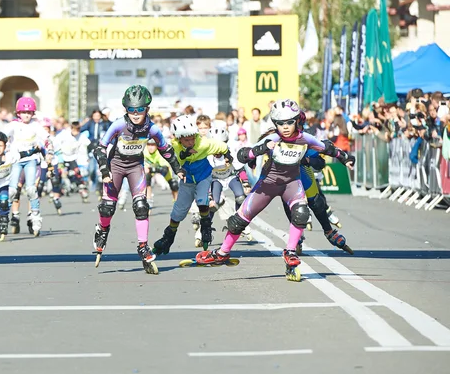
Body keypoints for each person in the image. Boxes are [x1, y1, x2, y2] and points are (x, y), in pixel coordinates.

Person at [194, 99, 355, 280]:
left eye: (289, 123)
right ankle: (222, 252)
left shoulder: (304, 138)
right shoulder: (273, 138)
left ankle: (291, 251)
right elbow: (242, 155)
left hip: (291, 183)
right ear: (275, 123)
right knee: (238, 220)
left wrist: (345, 157)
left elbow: (327, 148)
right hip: (267, 185)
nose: (285, 127)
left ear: (296, 121)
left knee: (302, 213)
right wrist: (261, 148)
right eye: (280, 123)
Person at [92, 85, 182, 274]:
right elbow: (100, 148)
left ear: (147, 109)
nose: (135, 113)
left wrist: (177, 169)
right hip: (115, 166)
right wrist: (104, 170)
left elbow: (165, 149)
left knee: (142, 207)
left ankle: (143, 246)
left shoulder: (152, 128)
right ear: (126, 109)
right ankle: (102, 229)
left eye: (140, 109)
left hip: (135, 167)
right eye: (131, 110)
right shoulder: (118, 125)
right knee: (108, 208)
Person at [153, 115, 231, 254]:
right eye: (186, 140)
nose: (191, 142)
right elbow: (174, 159)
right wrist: (182, 160)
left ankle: (206, 227)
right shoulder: (174, 146)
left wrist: (228, 156)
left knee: (202, 200)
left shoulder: (203, 143)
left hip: (203, 176)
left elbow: (222, 146)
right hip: (187, 181)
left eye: (192, 138)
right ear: (178, 138)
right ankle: (168, 237)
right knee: (178, 211)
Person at [3, 97, 48, 237]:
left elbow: (47, 138)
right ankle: (6, 216)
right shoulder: (13, 125)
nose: (26, 115)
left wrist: (49, 149)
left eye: (29, 112)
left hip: (31, 161)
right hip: (16, 161)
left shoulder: (35, 125)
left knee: (31, 189)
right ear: (18, 113)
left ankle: (35, 217)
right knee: (12, 190)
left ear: (33, 113)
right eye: (23, 112)